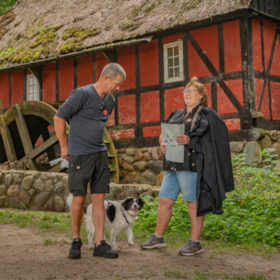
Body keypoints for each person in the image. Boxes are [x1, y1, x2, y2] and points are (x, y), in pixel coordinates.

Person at [140, 77, 234, 255]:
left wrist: (190, 140)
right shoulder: (176, 113)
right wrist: (161, 143)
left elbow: (213, 140)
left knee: (194, 203)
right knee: (165, 200)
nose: (187, 93)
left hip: (192, 165)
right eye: (185, 91)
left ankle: (195, 243)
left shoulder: (207, 115)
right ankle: (158, 238)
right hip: (173, 163)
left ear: (201, 96)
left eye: (191, 91)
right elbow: (164, 133)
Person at [54, 63, 126, 259]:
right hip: (80, 154)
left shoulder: (110, 100)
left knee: (99, 199)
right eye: (117, 84)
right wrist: (64, 147)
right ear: (106, 78)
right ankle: (76, 240)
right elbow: (59, 117)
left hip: (100, 154)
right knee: (78, 198)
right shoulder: (82, 94)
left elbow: (98, 124)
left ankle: (100, 244)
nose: (118, 89)